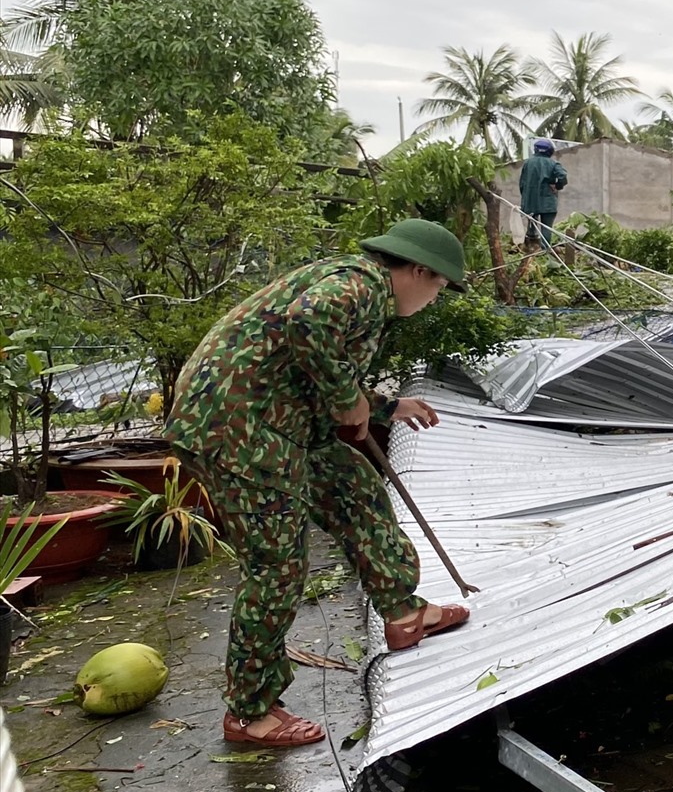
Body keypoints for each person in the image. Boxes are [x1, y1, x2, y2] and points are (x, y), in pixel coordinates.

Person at [164, 219, 474, 747]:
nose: (434, 298)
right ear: (419, 271)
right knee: (277, 567)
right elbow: (307, 323)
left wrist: (383, 406)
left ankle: (403, 609)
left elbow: (310, 367)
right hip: (239, 431)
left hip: (279, 423)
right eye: (439, 287)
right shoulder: (360, 285)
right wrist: (345, 397)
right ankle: (249, 710)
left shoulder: (359, 288)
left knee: (355, 489)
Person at [519, 138, 568, 248]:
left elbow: (522, 183)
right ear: (550, 151)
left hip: (530, 200)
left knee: (532, 224)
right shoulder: (553, 163)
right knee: (546, 227)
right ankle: (544, 251)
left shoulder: (527, 163)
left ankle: (530, 247)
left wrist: (525, 198)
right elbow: (563, 176)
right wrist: (557, 186)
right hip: (548, 202)